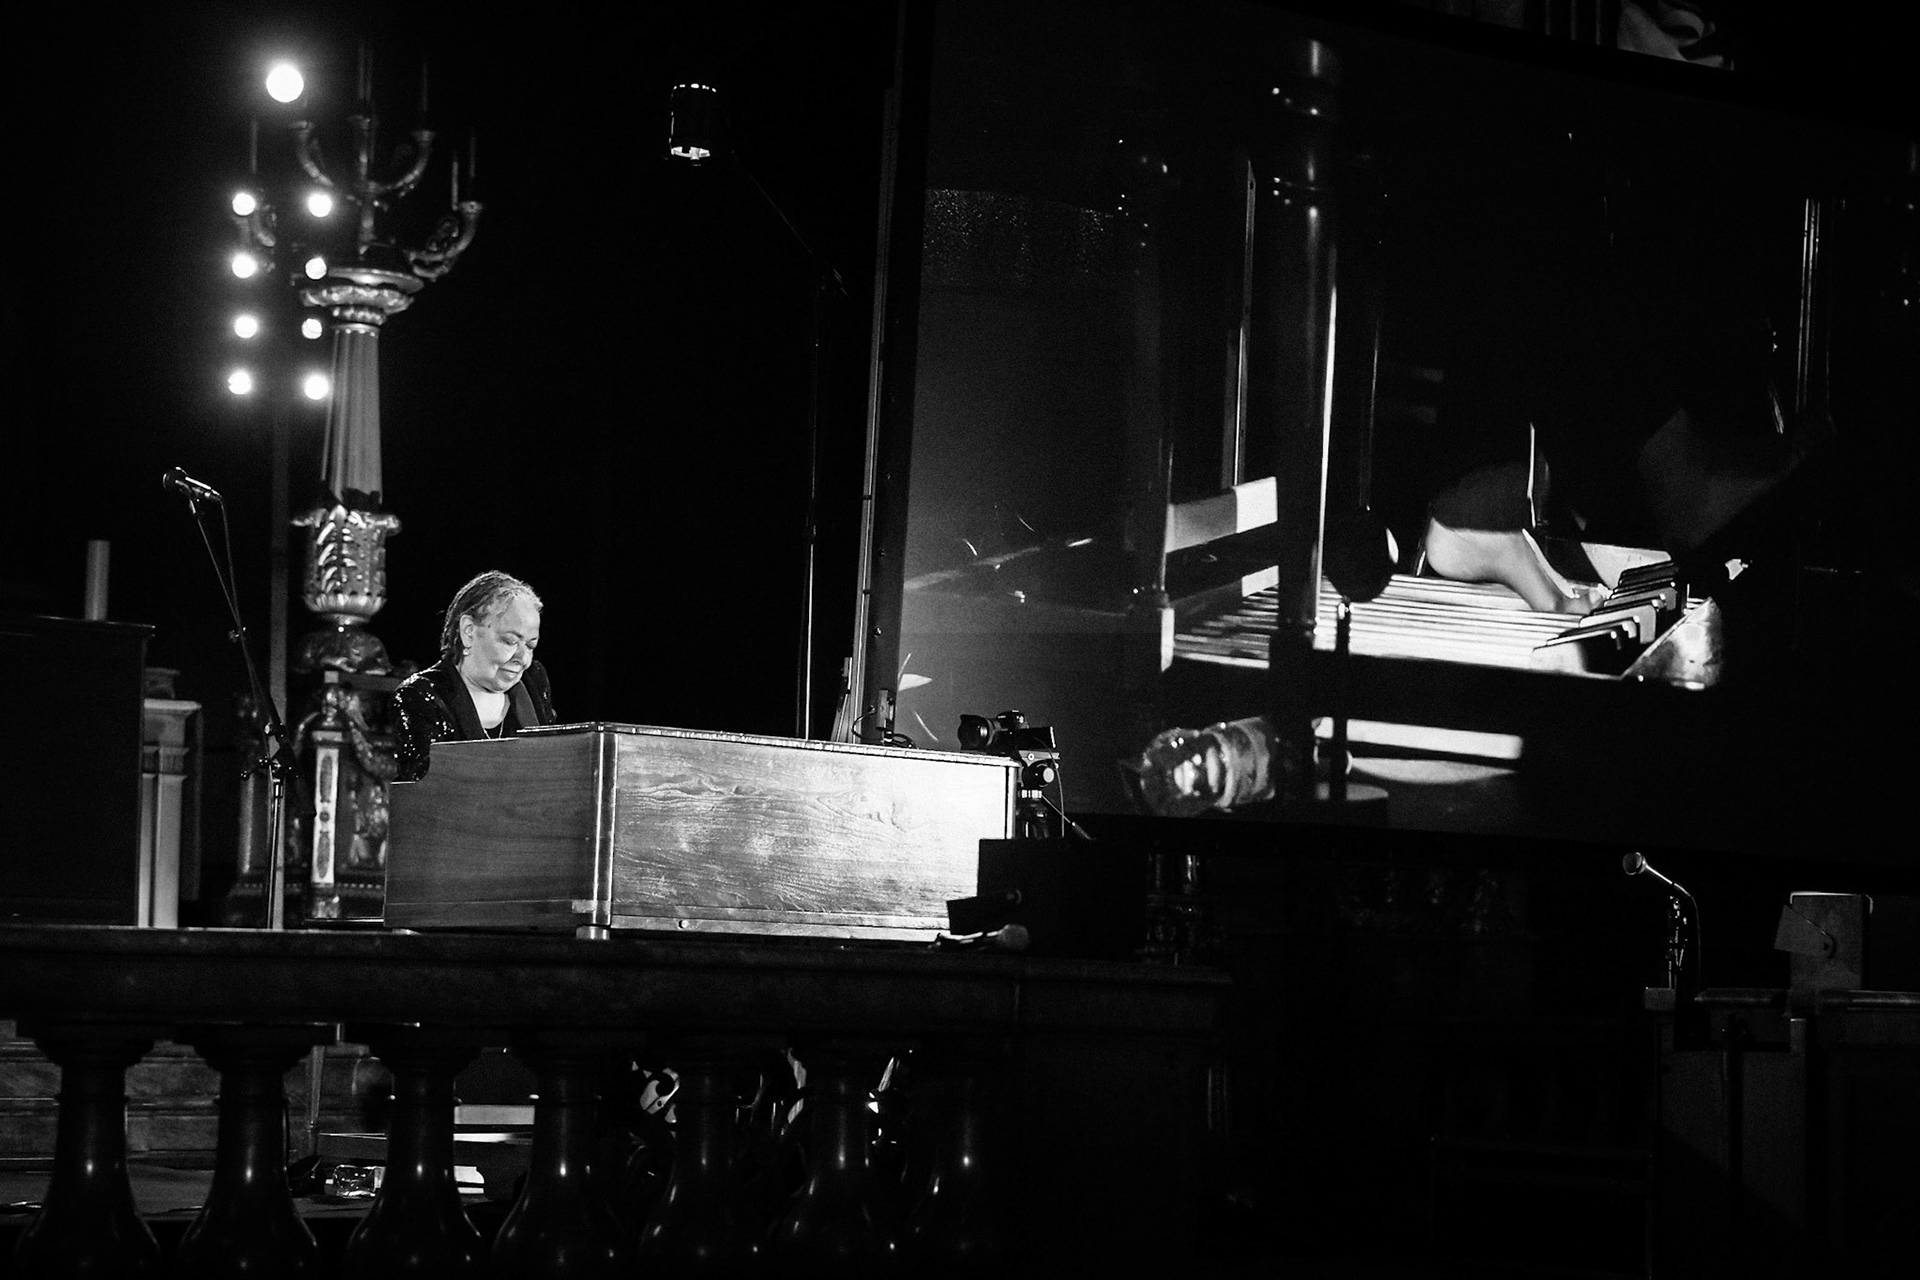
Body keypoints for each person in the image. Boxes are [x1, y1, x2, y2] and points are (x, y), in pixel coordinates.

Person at [392, 570, 556, 781]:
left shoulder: (534, 681)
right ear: (468, 631)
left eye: (530, 646)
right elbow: (425, 791)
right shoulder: (420, 696)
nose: (523, 658)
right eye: (510, 641)